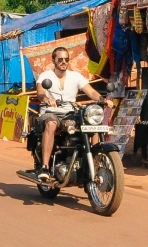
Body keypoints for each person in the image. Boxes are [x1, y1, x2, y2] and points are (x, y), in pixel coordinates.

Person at [35, 47, 111, 180]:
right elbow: (40, 91)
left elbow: (90, 91)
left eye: (66, 59)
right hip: (51, 112)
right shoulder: (46, 76)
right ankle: (45, 167)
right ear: (53, 60)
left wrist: (102, 100)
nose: (63, 62)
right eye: (60, 59)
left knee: (92, 125)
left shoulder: (75, 76)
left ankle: (93, 162)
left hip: (70, 113)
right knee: (51, 124)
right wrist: (46, 99)